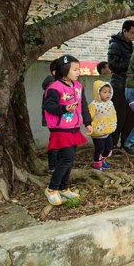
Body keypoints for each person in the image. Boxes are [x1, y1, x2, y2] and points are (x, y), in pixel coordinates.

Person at [43, 55, 92, 206]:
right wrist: (64, 108)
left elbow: (83, 105)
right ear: (64, 69)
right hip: (60, 129)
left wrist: (88, 122)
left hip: (74, 128)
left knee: (69, 160)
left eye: (79, 69)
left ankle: (64, 188)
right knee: (66, 159)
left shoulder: (78, 86)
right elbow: (49, 106)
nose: (79, 72)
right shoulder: (54, 87)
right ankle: (52, 189)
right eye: (75, 69)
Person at [108, 20, 134, 154]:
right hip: (119, 84)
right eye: (132, 32)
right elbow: (113, 65)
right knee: (119, 115)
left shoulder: (132, 46)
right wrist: (131, 64)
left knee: (130, 116)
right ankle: (112, 143)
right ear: (124, 31)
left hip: (131, 84)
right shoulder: (115, 45)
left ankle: (127, 143)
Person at [88, 80, 117, 171]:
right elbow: (89, 117)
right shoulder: (93, 105)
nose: (107, 94)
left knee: (108, 148)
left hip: (108, 131)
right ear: (98, 93)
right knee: (99, 149)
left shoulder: (110, 103)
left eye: (109, 92)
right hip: (98, 133)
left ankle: (102, 160)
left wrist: (114, 124)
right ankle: (97, 164)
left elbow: (114, 114)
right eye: (104, 92)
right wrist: (90, 126)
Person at [42, 59, 60, 173]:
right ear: (55, 72)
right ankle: (53, 167)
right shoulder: (53, 86)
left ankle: (57, 165)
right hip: (54, 120)